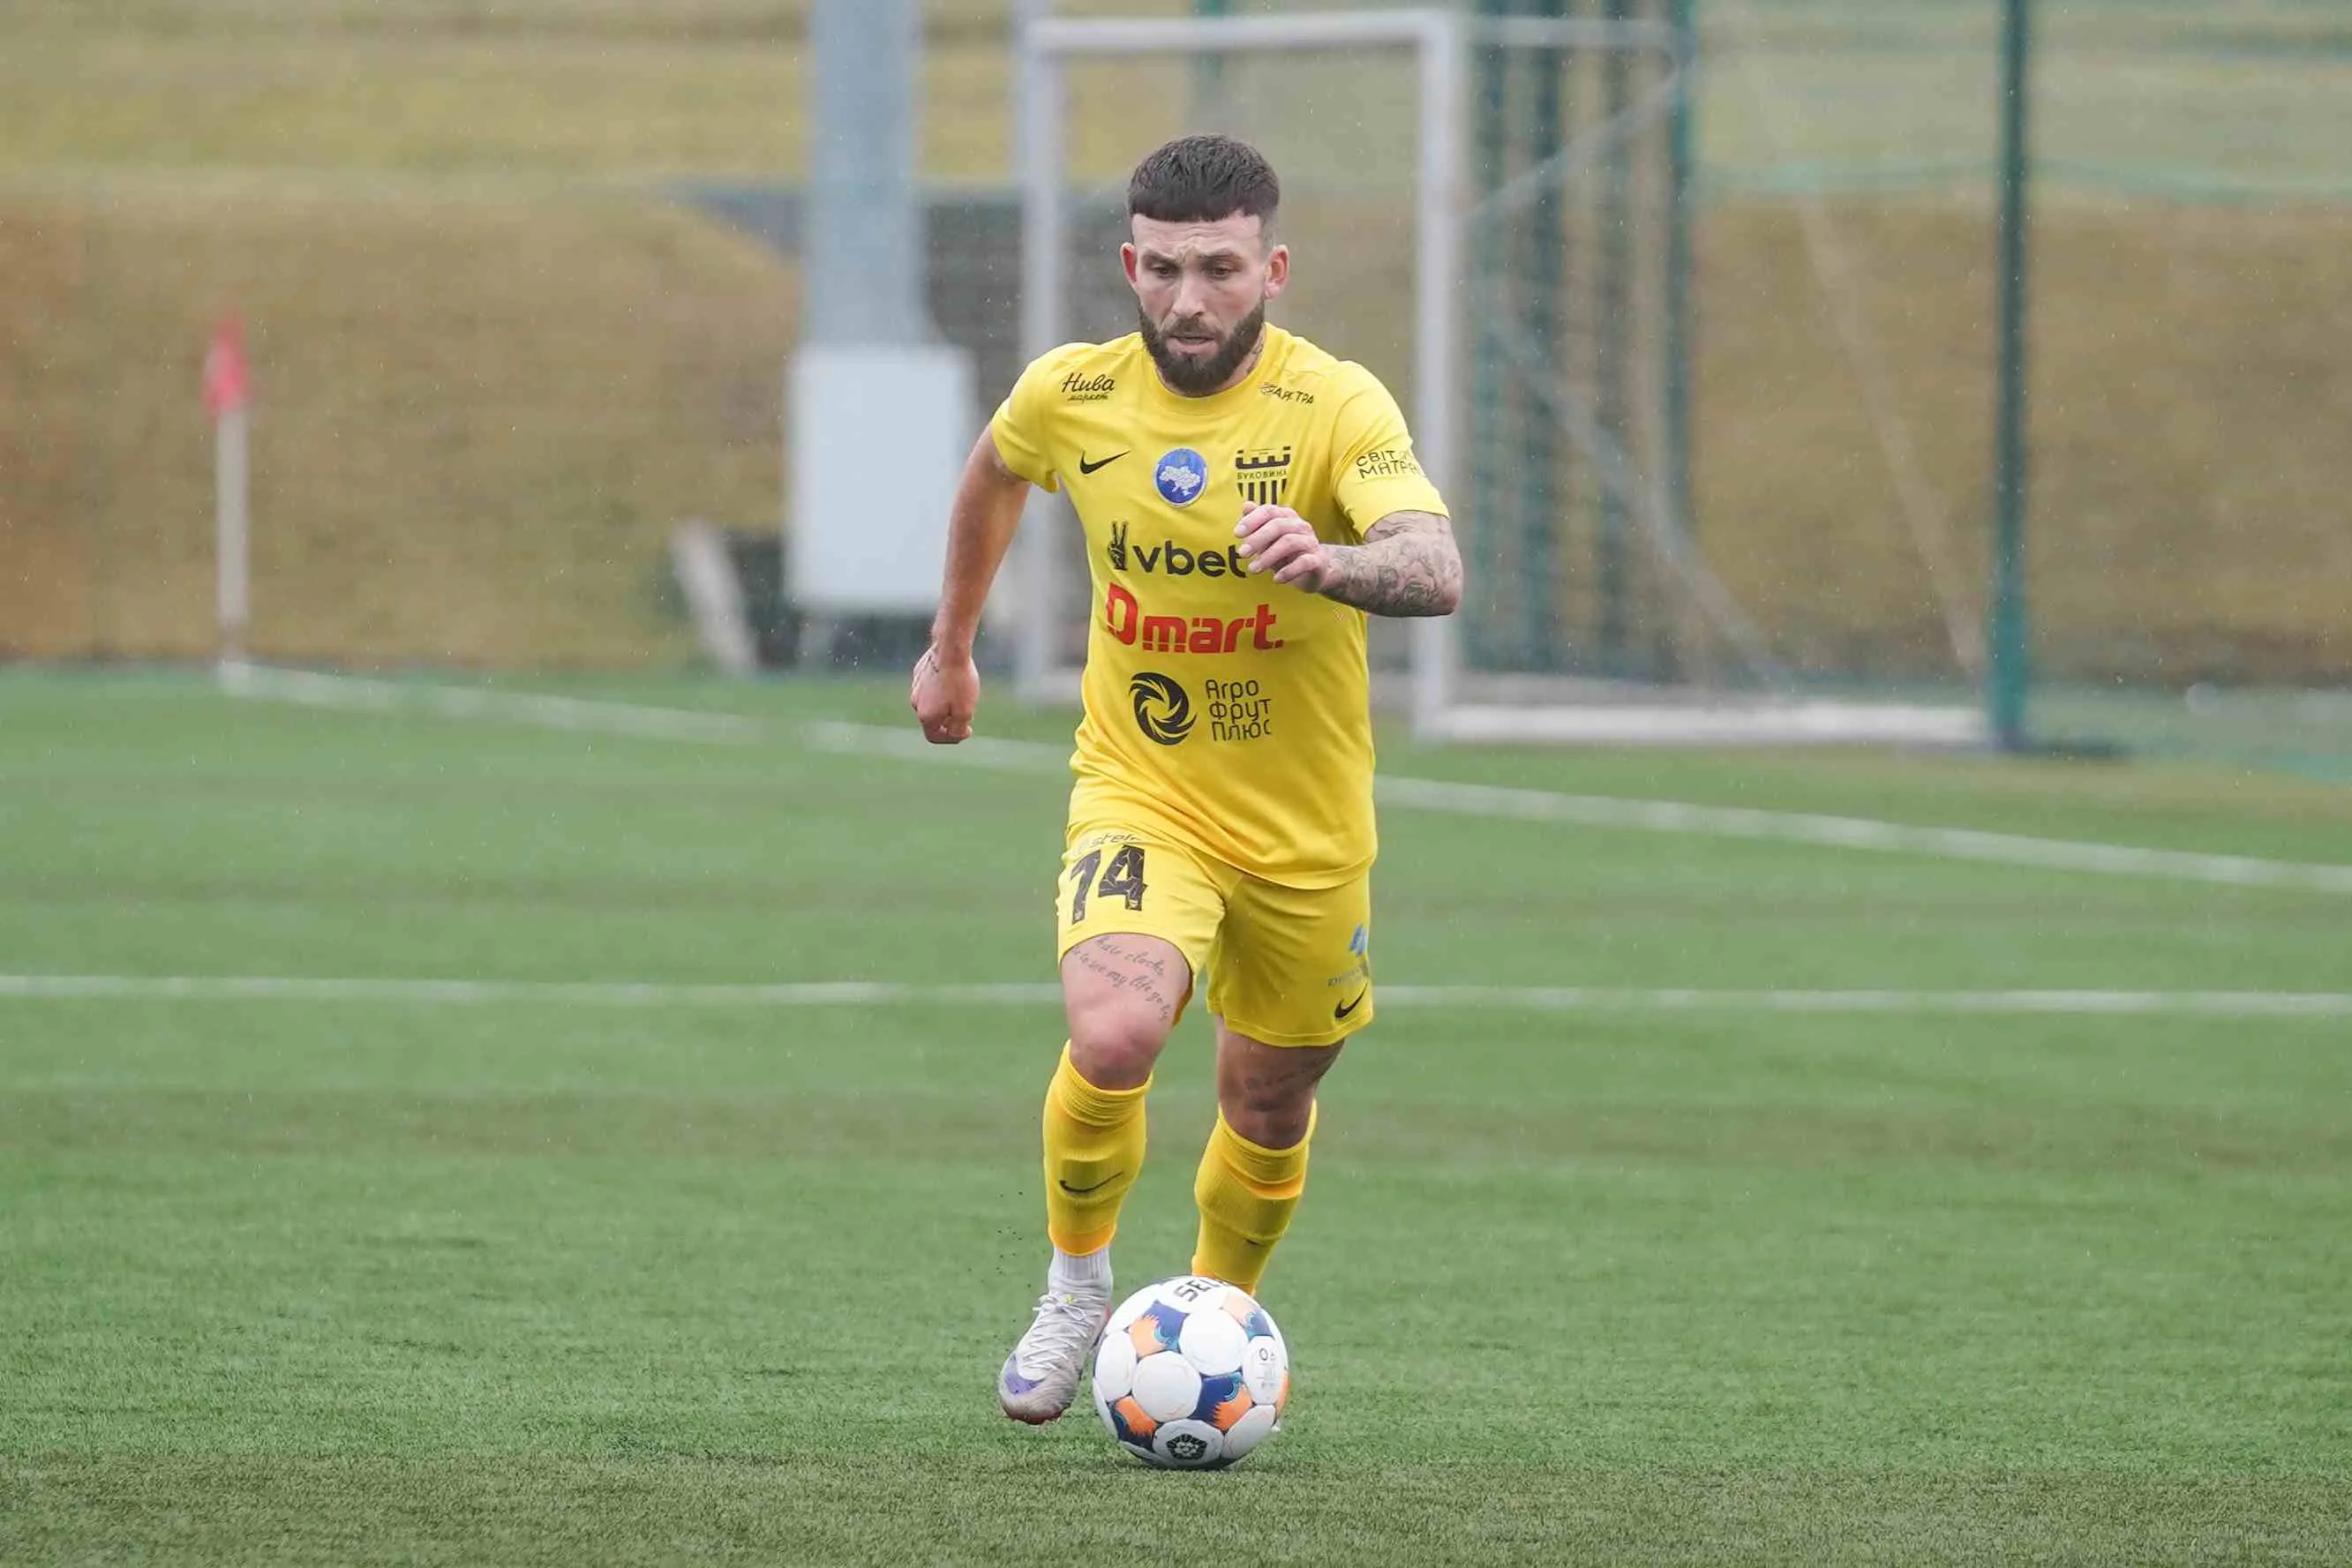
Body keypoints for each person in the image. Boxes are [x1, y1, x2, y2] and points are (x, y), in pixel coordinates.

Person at [908, 133, 1462, 1424]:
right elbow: (995, 474)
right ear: (1129, 267)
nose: (1189, 299)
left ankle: (1209, 1321)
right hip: (1141, 791)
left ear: (1273, 269)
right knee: (1113, 1034)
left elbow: (1434, 565)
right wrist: (952, 648)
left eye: (1219, 269)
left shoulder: (1336, 407)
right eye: (1163, 270)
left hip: (1306, 831)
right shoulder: (1073, 394)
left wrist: (1333, 561)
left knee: (1266, 1103)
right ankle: (1076, 1288)